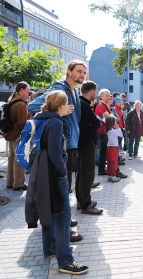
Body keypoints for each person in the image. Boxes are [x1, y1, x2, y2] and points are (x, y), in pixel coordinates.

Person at [25, 90, 89, 275]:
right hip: (54, 173)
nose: (69, 106)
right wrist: (63, 173)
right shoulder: (55, 122)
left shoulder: (41, 117)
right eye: (67, 103)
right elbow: (55, 152)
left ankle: (51, 249)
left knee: (50, 209)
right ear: (60, 105)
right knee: (62, 216)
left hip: (42, 170)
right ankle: (66, 261)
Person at [28, 60, 85, 242]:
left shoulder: (74, 90)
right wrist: (59, 111)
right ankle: (62, 231)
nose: (82, 75)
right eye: (79, 71)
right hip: (61, 147)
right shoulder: (59, 88)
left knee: (65, 188)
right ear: (68, 72)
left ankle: (64, 221)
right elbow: (34, 106)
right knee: (61, 190)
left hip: (71, 144)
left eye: (84, 72)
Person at [76, 81, 103, 215]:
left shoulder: (80, 103)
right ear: (91, 91)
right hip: (86, 142)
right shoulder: (84, 105)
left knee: (81, 173)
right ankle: (86, 204)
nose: (96, 94)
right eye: (96, 91)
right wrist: (96, 121)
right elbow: (97, 123)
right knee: (87, 174)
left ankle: (81, 201)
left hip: (82, 142)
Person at [5, 81, 30, 191]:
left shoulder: (12, 100)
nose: (29, 91)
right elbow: (22, 123)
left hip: (10, 134)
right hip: (17, 134)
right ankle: (19, 183)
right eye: (27, 89)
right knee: (19, 158)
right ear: (21, 90)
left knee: (11, 158)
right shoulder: (21, 104)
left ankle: (10, 182)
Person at [106, 115, 123, 182]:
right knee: (114, 162)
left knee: (109, 161)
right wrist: (118, 128)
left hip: (109, 147)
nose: (116, 123)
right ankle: (113, 176)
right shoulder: (112, 130)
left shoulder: (108, 130)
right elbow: (121, 135)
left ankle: (109, 175)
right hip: (114, 147)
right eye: (115, 122)